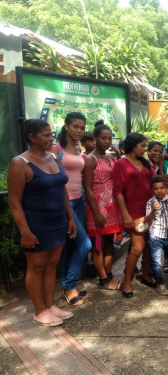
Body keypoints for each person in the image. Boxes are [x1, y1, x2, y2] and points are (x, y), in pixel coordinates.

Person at [9, 118, 76, 326]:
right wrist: (25, 231)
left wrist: (70, 217)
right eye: (46, 135)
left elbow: (61, 189)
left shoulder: (54, 156)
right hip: (34, 224)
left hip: (57, 221)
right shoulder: (20, 163)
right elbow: (14, 201)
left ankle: (50, 305)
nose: (51, 138)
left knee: (52, 265)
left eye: (51, 134)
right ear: (32, 137)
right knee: (36, 266)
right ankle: (39, 310)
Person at [51, 112, 92, 306]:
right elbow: (54, 179)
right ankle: (70, 286)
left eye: (82, 128)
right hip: (63, 203)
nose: (79, 131)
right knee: (85, 245)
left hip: (78, 202)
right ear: (66, 126)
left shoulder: (78, 148)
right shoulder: (55, 148)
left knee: (71, 246)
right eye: (76, 126)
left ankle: (67, 287)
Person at [112, 132, 157, 298]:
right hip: (135, 211)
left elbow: (155, 182)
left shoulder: (144, 163)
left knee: (148, 246)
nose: (145, 150)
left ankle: (145, 275)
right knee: (137, 247)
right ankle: (127, 282)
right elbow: (117, 190)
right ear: (132, 146)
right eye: (142, 146)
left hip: (151, 210)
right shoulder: (120, 164)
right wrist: (126, 215)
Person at [82, 123, 124, 291]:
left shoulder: (110, 157)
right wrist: (97, 212)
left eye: (109, 138)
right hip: (97, 206)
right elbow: (88, 187)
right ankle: (103, 278)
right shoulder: (90, 159)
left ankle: (108, 274)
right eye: (103, 138)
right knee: (97, 243)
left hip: (112, 206)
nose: (107, 141)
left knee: (108, 242)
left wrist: (119, 154)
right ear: (95, 139)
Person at [146, 175, 168, 296]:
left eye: (162, 188)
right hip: (156, 235)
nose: (159, 191)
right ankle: (159, 283)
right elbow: (148, 220)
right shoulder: (150, 202)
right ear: (152, 189)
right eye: (156, 188)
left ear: (165, 187)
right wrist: (153, 210)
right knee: (156, 262)